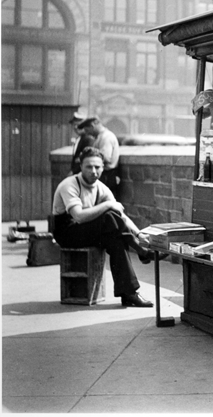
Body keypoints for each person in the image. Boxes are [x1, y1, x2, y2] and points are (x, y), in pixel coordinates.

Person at [52, 146, 155, 307]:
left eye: (98, 167)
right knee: (108, 216)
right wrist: (107, 205)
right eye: (89, 167)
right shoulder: (70, 184)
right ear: (80, 166)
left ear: (103, 168)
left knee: (116, 240)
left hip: (87, 230)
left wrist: (139, 233)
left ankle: (129, 293)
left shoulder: (100, 187)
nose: (94, 171)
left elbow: (120, 214)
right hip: (68, 232)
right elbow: (78, 216)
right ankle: (141, 252)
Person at [77, 117, 120, 194]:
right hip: (103, 175)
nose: (87, 133)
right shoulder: (100, 137)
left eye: (87, 130)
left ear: (92, 126)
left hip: (107, 176)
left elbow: (106, 158)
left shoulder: (106, 137)